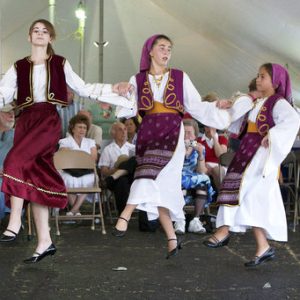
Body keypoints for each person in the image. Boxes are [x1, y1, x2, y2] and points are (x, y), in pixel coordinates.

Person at [0, 19, 132, 264]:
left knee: (13, 161)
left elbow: (83, 88)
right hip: (25, 122)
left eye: (45, 31)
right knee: (35, 179)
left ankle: (15, 220)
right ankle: (45, 242)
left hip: (47, 121)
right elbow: (3, 94)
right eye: (36, 31)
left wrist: (112, 88)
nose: (40, 34)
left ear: (51, 38)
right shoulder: (18, 66)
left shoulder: (60, 63)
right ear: (29, 37)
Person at [111, 34, 247, 259]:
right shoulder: (137, 79)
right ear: (150, 51)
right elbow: (125, 109)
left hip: (172, 131)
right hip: (148, 132)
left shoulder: (180, 77)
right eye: (162, 47)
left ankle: (125, 214)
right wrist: (121, 90)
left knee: (146, 173)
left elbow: (196, 106)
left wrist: (216, 105)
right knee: (162, 187)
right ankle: (172, 239)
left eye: (169, 49)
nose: (166, 52)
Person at [203, 63, 300, 267]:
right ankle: (263, 246)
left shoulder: (278, 102)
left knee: (241, 187)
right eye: (258, 75)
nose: (258, 79)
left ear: (276, 81)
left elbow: (293, 121)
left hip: (260, 154)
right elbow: (239, 123)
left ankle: (223, 230)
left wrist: (271, 136)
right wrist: (230, 106)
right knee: (252, 199)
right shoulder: (257, 102)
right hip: (248, 150)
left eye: (263, 76)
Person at [174, 118, 215, 234]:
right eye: (184, 133)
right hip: (177, 177)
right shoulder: (175, 147)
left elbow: (201, 171)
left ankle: (195, 221)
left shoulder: (199, 147)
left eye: (189, 133)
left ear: (195, 135)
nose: (186, 136)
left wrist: (201, 154)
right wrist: (184, 151)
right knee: (178, 182)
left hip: (193, 179)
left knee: (203, 181)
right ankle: (179, 219)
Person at [58, 114, 97, 216]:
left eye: (84, 128)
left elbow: (93, 158)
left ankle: (73, 210)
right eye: (79, 127)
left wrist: (74, 155)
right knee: (67, 179)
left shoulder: (91, 142)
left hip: (87, 171)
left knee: (89, 179)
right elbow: (62, 154)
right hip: (69, 171)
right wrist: (82, 156)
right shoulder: (64, 141)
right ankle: (77, 211)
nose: (82, 130)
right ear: (72, 128)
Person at [98, 122, 135, 214]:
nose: (124, 132)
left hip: (132, 180)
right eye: (120, 129)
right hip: (116, 182)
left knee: (134, 159)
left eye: (125, 129)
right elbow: (103, 171)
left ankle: (123, 216)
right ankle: (123, 214)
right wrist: (116, 169)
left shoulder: (133, 148)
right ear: (113, 133)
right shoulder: (108, 149)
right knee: (122, 180)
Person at [0, 106, 15, 224]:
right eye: (7, 112)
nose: (12, 115)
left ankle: (13, 220)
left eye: (13, 113)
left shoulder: (18, 136)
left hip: (12, 176)